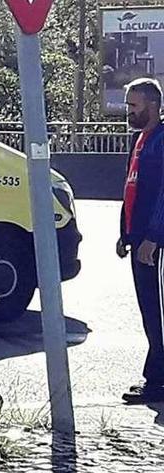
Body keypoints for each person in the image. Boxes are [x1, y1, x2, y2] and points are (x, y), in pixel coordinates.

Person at [118, 78, 164, 404]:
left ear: (151, 105)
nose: (128, 111)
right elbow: (131, 189)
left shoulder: (161, 140)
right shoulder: (139, 141)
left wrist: (153, 236)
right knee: (150, 312)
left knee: (159, 312)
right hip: (139, 242)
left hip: (155, 243)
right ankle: (155, 378)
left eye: (133, 105)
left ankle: (157, 382)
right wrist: (124, 234)